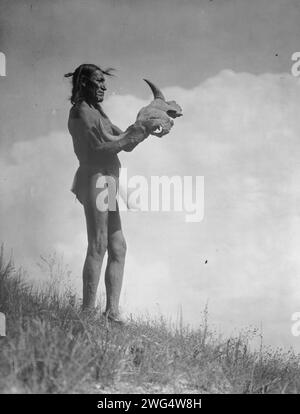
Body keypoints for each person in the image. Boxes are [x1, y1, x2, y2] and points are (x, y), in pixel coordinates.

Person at [65, 63, 149, 323]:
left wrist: (148, 126)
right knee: (99, 244)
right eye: (98, 81)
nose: (103, 86)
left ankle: (112, 313)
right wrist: (131, 136)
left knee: (118, 246)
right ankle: (87, 313)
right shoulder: (81, 112)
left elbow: (123, 139)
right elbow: (102, 148)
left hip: (107, 179)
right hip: (96, 177)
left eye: (104, 82)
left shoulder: (97, 112)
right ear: (83, 83)